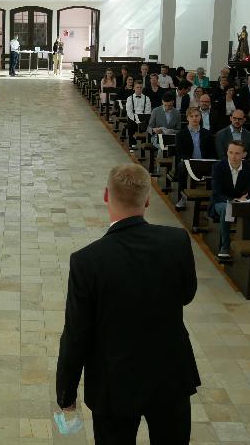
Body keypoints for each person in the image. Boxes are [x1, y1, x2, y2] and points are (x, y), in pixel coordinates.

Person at [55, 164, 199, 444]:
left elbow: (76, 334)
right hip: (170, 375)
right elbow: (186, 295)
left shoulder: (87, 260)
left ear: (106, 195)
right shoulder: (176, 241)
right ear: (147, 200)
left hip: (113, 383)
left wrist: (66, 393)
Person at [211, 140, 250, 259]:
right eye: (230, 152)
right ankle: (225, 246)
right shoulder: (218, 167)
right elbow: (217, 193)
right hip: (221, 202)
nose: (233, 156)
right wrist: (234, 200)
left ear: (244, 154)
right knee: (228, 209)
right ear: (227, 152)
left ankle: (248, 245)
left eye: (237, 153)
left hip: (242, 201)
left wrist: (246, 198)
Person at [175, 107, 216, 210]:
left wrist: (209, 161)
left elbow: (212, 152)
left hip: (205, 162)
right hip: (189, 162)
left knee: (217, 167)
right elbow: (180, 153)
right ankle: (182, 198)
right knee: (181, 167)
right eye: (191, 116)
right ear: (187, 118)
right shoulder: (181, 134)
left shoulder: (207, 133)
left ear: (200, 117)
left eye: (197, 116)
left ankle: (212, 200)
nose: (194, 118)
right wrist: (190, 161)